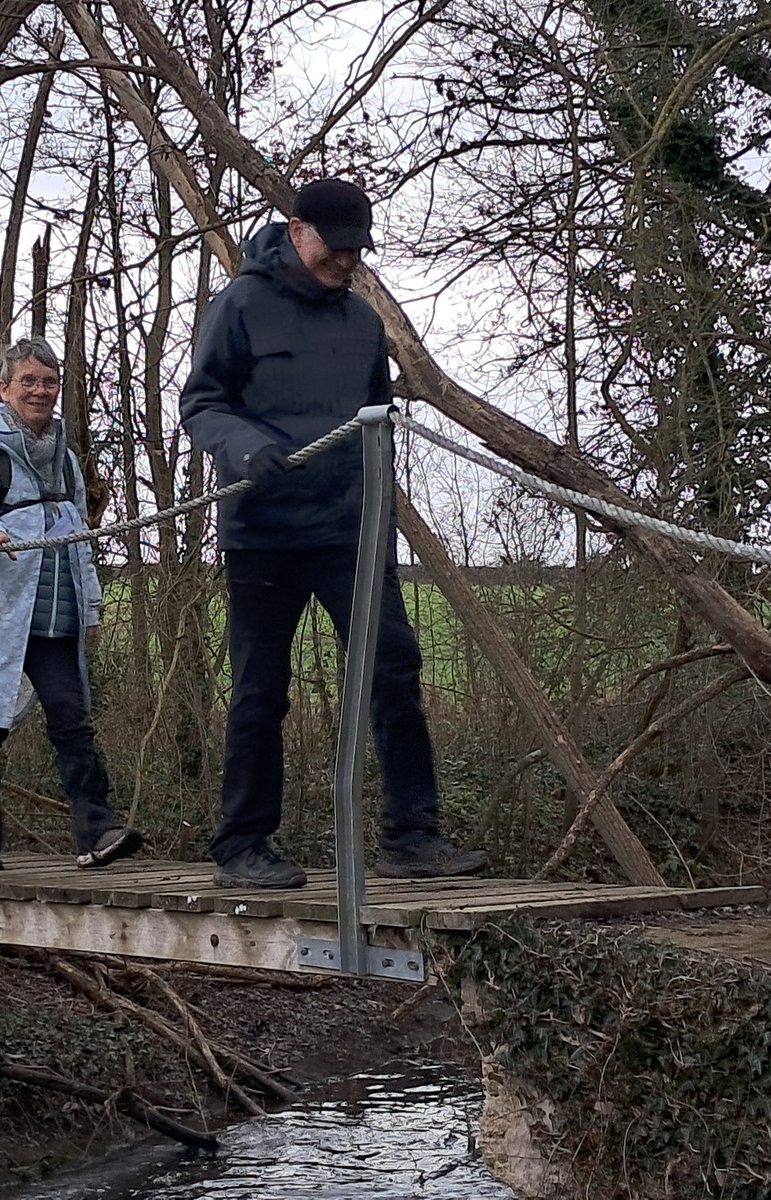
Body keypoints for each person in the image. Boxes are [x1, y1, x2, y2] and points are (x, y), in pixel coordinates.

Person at [180, 177, 489, 889]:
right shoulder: (240, 304)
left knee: (394, 669)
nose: (347, 260)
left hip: (351, 529)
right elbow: (201, 403)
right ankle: (241, 846)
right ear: (297, 231)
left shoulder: (362, 324)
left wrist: (379, 511)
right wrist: (245, 448)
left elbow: (378, 422)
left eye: (358, 249)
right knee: (260, 689)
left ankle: (413, 837)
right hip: (262, 530)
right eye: (336, 246)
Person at [0, 336, 142, 872]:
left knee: (72, 721)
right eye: (29, 381)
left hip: (55, 619)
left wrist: (90, 609)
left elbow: (81, 540)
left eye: (49, 382)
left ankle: (98, 832)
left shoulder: (66, 461)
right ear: (3, 388)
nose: (40, 391)